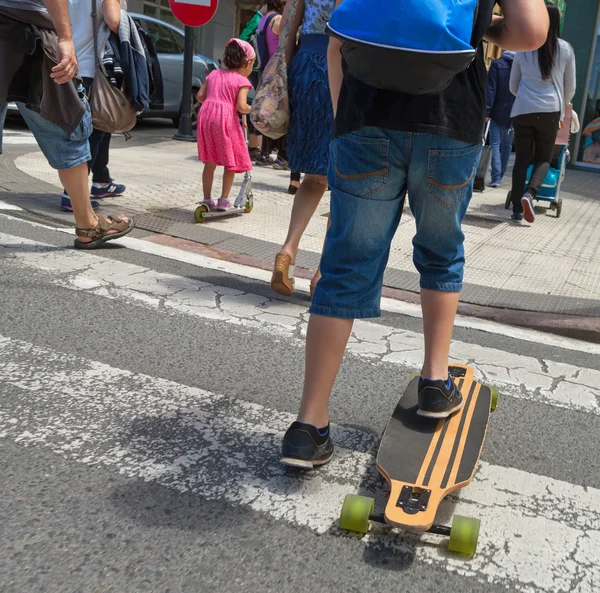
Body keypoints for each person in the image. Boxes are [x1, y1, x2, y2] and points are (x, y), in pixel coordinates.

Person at [279, 0, 550, 468]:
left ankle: (309, 425)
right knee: (441, 252)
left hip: (366, 116)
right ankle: (434, 382)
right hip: (451, 122)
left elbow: (338, 34)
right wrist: (479, 28)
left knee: (344, 265)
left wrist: (347, 120)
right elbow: (530, 31)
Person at [0, 0, 134, 248]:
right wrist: (65, 38)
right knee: (67, 124)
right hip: (25, 29)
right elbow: (114, 20)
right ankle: (89, 224)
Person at [270, 0, 337, 298]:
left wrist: (284, 79)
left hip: (304, 68)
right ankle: (323, 274)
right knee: (342, 180)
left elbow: (287, 27)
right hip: (338, 70)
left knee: (313, 176)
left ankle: (288, 249)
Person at [509, 2, 576, 223]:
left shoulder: (524, 47)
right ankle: (531, 194)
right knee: (544, 159)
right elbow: (570, 88)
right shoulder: (565, 49)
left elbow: (513, 86)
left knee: (522, 160)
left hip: (522, 110)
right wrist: (559, 105)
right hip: (550, 111)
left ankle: (517, 210)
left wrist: (527, 98)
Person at [60, 0, 127, 213]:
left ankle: (101, 181)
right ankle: (72, 195)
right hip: (92, 70)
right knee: (93, 134)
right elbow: (114, 20)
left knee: (93, 130)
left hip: (68, 65)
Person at [196, 39, 254, 211]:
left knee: (210, 161)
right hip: (225, 120)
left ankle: (207, 199)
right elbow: (241, 107)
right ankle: (223, 199)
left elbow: (200, 96)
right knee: (231, 161)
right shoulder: (241, 81)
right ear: (247, 62)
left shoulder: (213, 74)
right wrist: (255, 108)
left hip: (206, 118)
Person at [485, 50, 516, 187]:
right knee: (507, 145)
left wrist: (486, 111)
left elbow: (490, 89)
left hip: (497, 111)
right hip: (514, 113)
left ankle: (496, 178)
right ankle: (501, 175)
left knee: (495, 145)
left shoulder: (497, 64)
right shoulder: (521, 67)